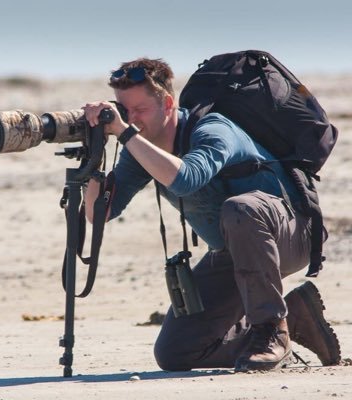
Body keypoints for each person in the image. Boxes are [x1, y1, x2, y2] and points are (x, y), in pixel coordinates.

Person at [82, 58, 340, 372]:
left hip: (289, 234)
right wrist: (92, 158)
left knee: (241, 208)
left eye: (140, 110)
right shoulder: (140, 148)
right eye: (124, 111)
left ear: (167, 103)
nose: (132, 120)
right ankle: (296, 316)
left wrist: (124, 133)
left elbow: (187, 177)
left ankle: (271, 329)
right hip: (235, 249)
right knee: (177, 353)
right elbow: (100, 213)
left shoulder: (213, 129)